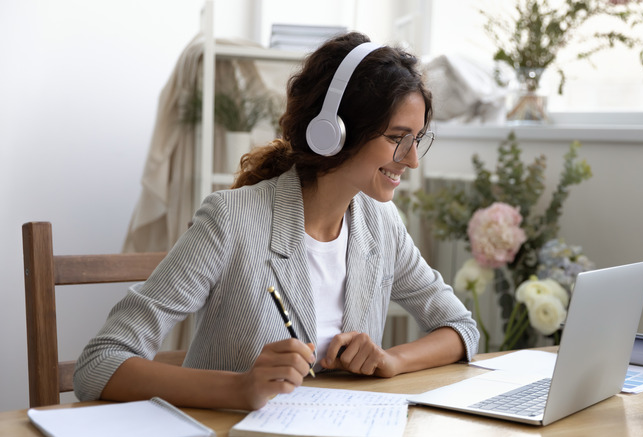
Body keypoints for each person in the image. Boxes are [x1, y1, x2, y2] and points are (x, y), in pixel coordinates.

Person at [73, 32, 479, 411]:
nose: (411, 159)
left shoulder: (381, 224)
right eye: (397, 138)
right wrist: (240, 388)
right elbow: (99, 363)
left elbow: (460, 327)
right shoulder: (230, 220)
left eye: (417, 138)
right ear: (334, 132)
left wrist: (391, 360)